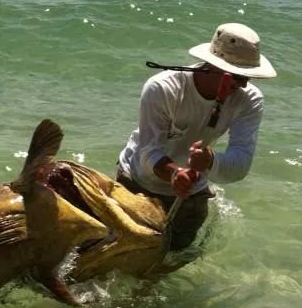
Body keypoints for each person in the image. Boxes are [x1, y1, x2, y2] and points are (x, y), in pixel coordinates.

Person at [116, 23, 277, 251]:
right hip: (138, 180)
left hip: (192, 191)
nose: (243, 84)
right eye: (237, 76)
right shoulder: (163, 87)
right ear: (210, 66)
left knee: (175, 255)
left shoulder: (249, 100)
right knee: (123, 252)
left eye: (248, 77)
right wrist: (175, 173)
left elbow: (240, 165)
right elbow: (148, 152)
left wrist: (210, 162)